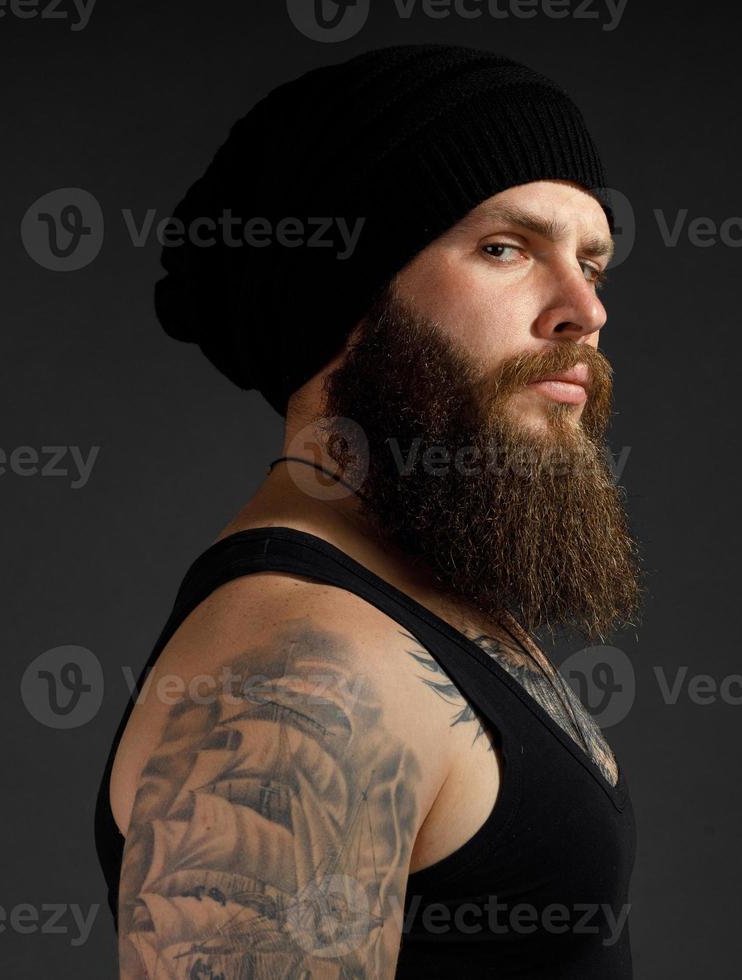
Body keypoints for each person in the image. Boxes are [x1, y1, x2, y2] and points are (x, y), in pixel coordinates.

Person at [91, 43, 645, 978]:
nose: (583, 309)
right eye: (504, 248)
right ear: (343, 301)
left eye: (592, 261)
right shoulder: (302, 675)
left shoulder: (422, 594)